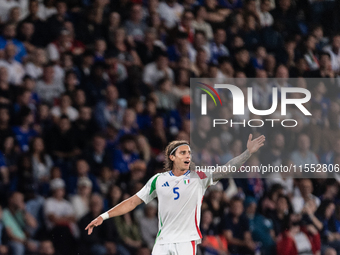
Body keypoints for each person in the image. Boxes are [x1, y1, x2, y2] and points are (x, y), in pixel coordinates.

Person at [85, 134, 265, 254]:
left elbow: (226, 169)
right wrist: (105, 215)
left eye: (189, 153)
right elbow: (132, 202)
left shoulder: (199, 177)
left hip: (186, 241)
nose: (188, 156)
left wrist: (247, 153)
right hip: (163, 240)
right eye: (183, 152)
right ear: (172, 157)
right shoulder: (158, 179)